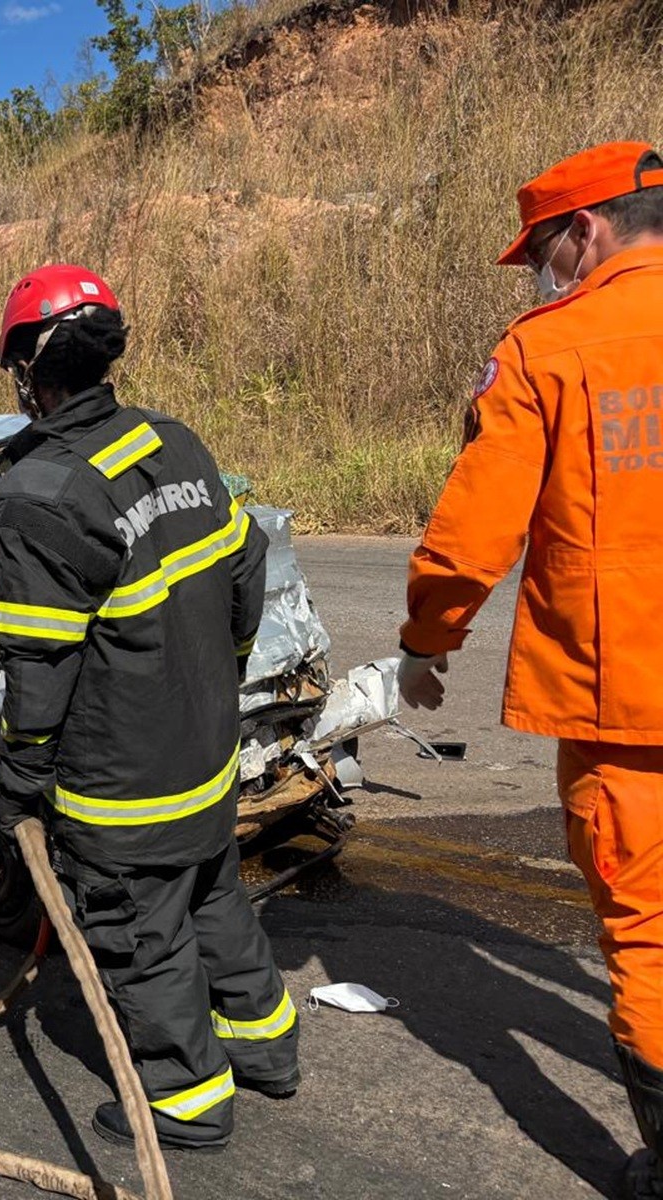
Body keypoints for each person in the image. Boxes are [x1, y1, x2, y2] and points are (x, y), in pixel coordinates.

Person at [397, 141, 663, 1198]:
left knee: (647, 931)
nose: (541, 275)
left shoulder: (552, 348)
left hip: (630, 708)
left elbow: (469, 541)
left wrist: (427, 642)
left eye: (542, 253)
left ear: (584, 231)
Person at [0, 265, 295, 1151]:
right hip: (205, 749)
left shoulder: (33, 496)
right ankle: (266, 1049)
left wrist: (21, 784)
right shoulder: (177, 444)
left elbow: (38, 670)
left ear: (29, 375)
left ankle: (186, 1099)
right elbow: (245, 575)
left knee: (137, 928)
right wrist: (217, 673)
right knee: (212, 894)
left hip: (122, 781)